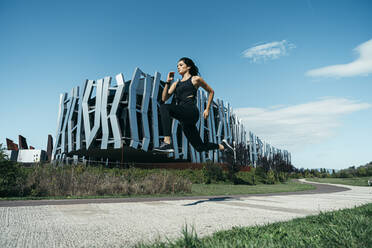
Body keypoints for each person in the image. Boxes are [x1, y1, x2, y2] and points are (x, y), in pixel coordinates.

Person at [153, 57, 234, 155]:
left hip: (190, 111)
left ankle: (167, 142)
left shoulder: (195, 79)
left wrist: (207, 109)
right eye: (177, 66)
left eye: (181, 65)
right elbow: (164, 98)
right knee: (199, 147)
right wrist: (167, 82)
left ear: (188, 67)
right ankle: (222, 146)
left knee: (164, 107)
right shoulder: (176, 83)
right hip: (184, 118)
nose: (178, 67)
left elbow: (211, 91)